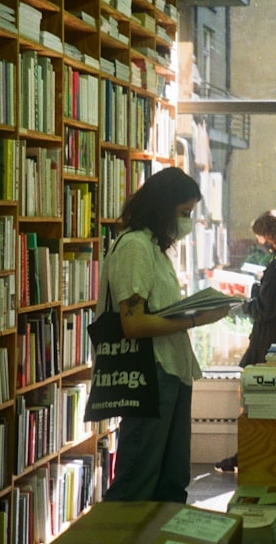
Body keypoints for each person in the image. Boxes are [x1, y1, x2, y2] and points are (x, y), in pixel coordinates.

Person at [100, 167, 233, 503]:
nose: (187, 222)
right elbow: (134, 324)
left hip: (171, 369)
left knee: (172, 479)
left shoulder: (156, 248)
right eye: (184, 213)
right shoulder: (135, 246)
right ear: (163, 207)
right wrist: (196, 320)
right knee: (138, 479)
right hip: (150, 372)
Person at [215, 209, 276, 473]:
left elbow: (265, 310)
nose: (259, 242)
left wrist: (242, 303)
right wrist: (261, 286)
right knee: (270, 404)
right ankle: (253, 454)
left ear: (270, 235)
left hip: (268, 346)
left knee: (254, 402)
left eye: (260, 236)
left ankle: (246, 454)